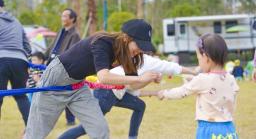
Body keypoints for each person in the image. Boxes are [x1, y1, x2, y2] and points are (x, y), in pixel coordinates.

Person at [24, 19, 161, 139]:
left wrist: (147, 79)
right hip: (56, 80)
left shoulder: (129, 55)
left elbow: (132, 86)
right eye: (139, 46)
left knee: (100, 130)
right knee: (36, 133)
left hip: (77, 86)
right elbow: (103, 77)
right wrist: (139, 79)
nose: (140, 51)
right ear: (126, 38)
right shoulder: (103, 42)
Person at [58, 53, 197, 139]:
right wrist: (194, 72)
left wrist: (156, 92)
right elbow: (173, 67)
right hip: (106, 92)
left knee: (139, 106)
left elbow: (135, 91)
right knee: (87, 127)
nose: (160, 78)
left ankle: (132, 137)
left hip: (115, 94)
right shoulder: (148, 63)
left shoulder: (141, 68)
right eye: (159, 75)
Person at [154, 34, 239, 139]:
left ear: (206, 58)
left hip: (209, 130)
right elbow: (222, 95)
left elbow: (182, 92)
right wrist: (194, 80)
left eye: (198, 58)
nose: (198, 62)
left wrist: (165, 93)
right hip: (229, 129)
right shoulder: (231, 78)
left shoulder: (202, 79)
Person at [46, 8, 81, 126]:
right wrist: (42, 57)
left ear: (72, 19)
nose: (63, 18)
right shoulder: (60, 32)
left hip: (63, 67)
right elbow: (51, 48)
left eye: (65, 16)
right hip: (51, 64)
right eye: (62, 16)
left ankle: (70, 120)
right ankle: (49, 118)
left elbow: (72, 52)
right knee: (50, 93)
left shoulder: (75, 35)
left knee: (65, 93)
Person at [0, 0, 31, 126]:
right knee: (21, 95)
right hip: (20, 60)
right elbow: (27, 46)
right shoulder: (17, 22)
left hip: (1, 59)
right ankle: (33, 130)